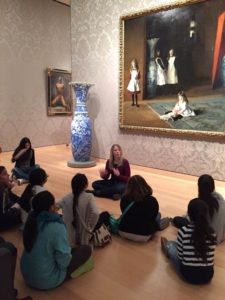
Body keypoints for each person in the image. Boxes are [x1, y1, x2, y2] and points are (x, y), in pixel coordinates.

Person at [20, 191, 93, 290]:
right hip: (46, 280)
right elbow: (64, 261)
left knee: (62, 248)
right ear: (51, 207)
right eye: (54, 204)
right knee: (86, 249)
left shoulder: (31, 220)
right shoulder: (56, 225)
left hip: (26, 275)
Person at [161, 198, 217, 284]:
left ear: (189, 215)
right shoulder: (212, 233)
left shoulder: (183, 231)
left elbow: (180, 257)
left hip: (188, 275)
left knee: (172, 245)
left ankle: (168, 246)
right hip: (208, 276)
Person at [172, 174, 225, 244]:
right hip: (221, 234)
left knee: (177, 220)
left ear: (199, 187)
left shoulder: (201, 203)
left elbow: (194, 220)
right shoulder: (220, 198)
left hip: (210, 236)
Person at [118, 175, 169, 242]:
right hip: (144, 235)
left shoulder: (124, 198)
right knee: (158, 215)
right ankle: (159, 225)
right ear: (144, 185)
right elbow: (154, 216)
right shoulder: (151, 200)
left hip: (123, 231)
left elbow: (123, 211)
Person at [57, 173, 100, 247]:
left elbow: (54, 207)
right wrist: (90, 227)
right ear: (86, 185)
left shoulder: (66, 198)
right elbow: (96, 213)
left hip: (68, 240)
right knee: (105, 215)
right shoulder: (89, 197)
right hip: (84, 239)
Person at [0, 166, 21, 231]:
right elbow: (3, 215)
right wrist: (15, 209)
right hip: (1, 220)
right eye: (5, 174)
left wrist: (8, 186)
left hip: (4, 209)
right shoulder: (1, 192)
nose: (8, 175)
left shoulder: (3, 188)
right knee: (21, 214)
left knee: (16, 198)